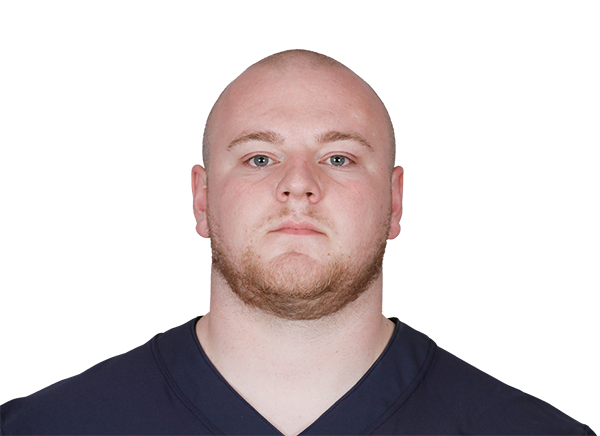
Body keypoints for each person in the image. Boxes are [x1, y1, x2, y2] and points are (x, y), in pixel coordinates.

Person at [0, 49, 595, 436]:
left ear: (395, 202)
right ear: (202, 199)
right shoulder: (47, 428)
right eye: (260, 158)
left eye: (339, 158)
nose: (298, 185)